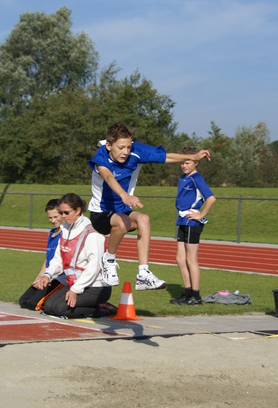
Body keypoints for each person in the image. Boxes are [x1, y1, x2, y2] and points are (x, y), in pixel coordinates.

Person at [88, 122, 211, 290]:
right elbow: (108, 177)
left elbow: (166, 157)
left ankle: (143, 273)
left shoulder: (136, 152)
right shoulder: (101, 156)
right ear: (109, 145)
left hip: (122, 211)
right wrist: (124, 195)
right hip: (100, 213)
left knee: (143, 219)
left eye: (128, 147)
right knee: (122, 220)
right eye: (121, 147)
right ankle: (109, 259)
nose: (125, 152)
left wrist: (193, 157)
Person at [36, 193, 112, 318]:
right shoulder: (65, 228)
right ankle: (88, 305)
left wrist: (76, 290)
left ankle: (102, 309)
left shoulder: (91, 231)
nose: (63, 216)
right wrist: (47, 275)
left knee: (60, 309)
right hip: (74, 283)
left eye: (66, 213)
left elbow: (94, 266)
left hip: (95, 287)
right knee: (49, 306)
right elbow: (58, 258)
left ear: (78, 210)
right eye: (61, 213)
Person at [170, 146, 216, 306]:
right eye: (182, 162)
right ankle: (187, 292)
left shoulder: (197, 179)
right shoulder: (182, 178)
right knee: (180, 258)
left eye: (188, 162)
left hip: (192, 222)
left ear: (196, 163)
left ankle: (195, 295)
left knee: (191, 259)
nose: (184, 165)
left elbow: (211, 198)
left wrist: (200, 215)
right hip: (182, 220)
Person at [19, 199, 64, 310]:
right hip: (46, 276)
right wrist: (39, 276)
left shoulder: (66, 234)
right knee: (23, 301)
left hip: (57, 277)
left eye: (56, 216)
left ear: (62, 214)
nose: (53, 220)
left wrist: (48, 276)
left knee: (34, 304)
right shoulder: (52, 233)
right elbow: (47, 259)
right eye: (50, 217)